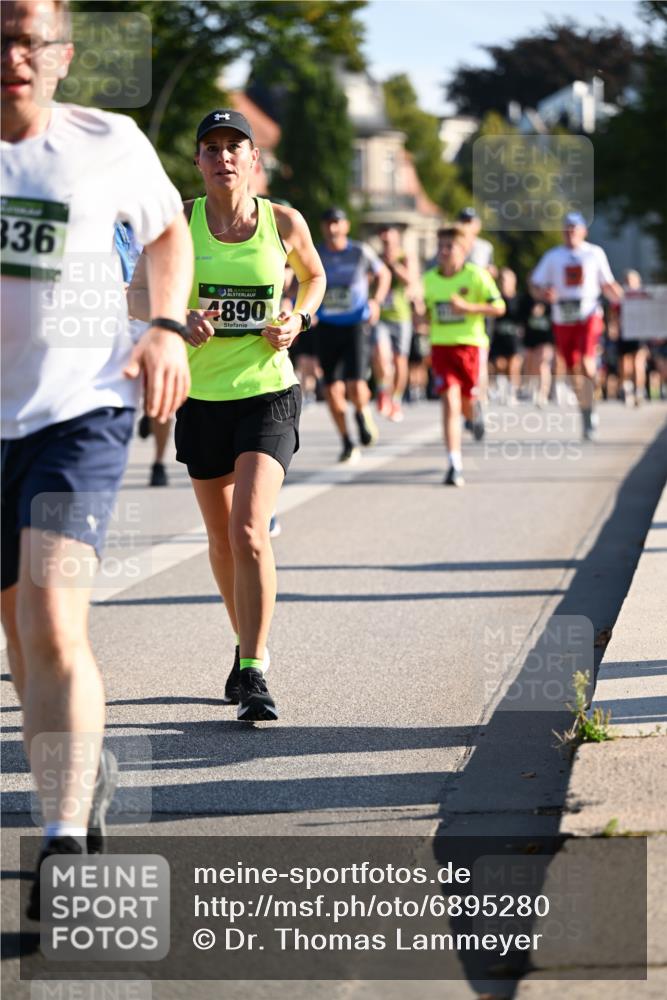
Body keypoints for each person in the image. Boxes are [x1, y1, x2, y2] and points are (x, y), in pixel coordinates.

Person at [1, 0, 193, 915]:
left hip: (80, 414)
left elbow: (166, 231)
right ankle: (82, 778)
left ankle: (63, 844)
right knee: (21, 636)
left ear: (64, 55)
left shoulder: (107, 141)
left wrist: (160, 326)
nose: (14, 55)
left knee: (51, 613)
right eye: (0, 36)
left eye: (30, 37)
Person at [129, 109, 325, 721]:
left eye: (234, 146)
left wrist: (298, 318)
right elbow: (136, 291)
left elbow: (314, 276)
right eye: (211, 148)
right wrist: (173, 318)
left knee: (248, 529)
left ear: (253, 159)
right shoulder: (177, 222)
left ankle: (254, 668)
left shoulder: (284, 221)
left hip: (268, 391)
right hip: (201, 396)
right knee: (220, 541)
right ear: (198, 161)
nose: (223, 157)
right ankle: (244, 641)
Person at [420, 225, 505, 486]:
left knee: (467, 403)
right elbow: (425, 317)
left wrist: (468, 307)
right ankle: (454, 463)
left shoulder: (476, 276)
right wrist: (418, 314)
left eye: (450, 247)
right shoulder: (429, 279)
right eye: (441, 247)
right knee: (450, 403)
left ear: (464, 249)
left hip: (471, 347)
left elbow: (499, 307)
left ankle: (475, 414)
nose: (444, 252)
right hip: (441, 347)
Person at [530, 212, 623, 440]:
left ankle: (592, 402)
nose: (570, 232)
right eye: (567, 228)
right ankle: (586, 410)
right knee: (573, 369)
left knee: (586, 362)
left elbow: (608, 284)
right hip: (563, 317)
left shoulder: (594, 253)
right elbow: (534, 283)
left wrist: (629, 302)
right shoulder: (553, 256)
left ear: (584, 231)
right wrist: (543, 293)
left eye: (575, 228)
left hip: (589, 314)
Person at [316, 207, 390, 463]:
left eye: (337, 222)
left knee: (356, 386)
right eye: (327, 223)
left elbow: (384, 274)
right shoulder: (316, 252)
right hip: (326, 326)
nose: (332, 228)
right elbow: (300, 280)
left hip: (355, 325)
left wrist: (377, 301)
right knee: (332, 390)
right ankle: (347, 441)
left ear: (346, 225)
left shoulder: (360, 252)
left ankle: (362, 413)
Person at [115, 221, 172, 486]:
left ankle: (159, 462)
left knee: (158, 394)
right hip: (112, 321)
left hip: (149, 315)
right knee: (116, 395)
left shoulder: (152, 220)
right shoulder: (98, 216)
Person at [372, 223, 419, 422]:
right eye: (382, 237)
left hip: (401, 316)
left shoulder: (405, 257)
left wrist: (394, 265)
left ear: (396, 237)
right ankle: (383, 391)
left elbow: (411, 281)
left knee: (400, 360)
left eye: (389, 236)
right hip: (381, 315)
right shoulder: (376, 258)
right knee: (381, 355)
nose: (385, 240)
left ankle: (397, 399)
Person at [614, 269, 650, 407]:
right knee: (624, 364)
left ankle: (639, 391)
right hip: (624, 333)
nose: (629, 283)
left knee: (638, 362)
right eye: (627, 281)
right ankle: (626, 388)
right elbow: (615, 315)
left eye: (632, 281)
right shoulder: (621, 298)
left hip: (639, 332)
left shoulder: (644, 296)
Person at [489, 267, 523, 406]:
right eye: (501, 280)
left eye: (506, 280)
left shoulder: (519, 299)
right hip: (498, 338)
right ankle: (501, 389)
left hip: (514, 339)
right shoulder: (495, 298)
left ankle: (512, 393)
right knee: (499, 365)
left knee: (513, 366)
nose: (504, 283)